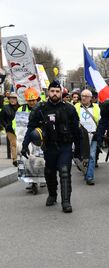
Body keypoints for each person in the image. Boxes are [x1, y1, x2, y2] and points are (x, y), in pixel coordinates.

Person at [21, 80, 81, 213]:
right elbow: (31, 128)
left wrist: (78, 150)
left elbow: (77, 131)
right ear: (48, 92)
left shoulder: (69, 108)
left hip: (65, 146)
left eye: (57, 91)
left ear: (61, 93)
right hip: (49, 147)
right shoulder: (40, 108)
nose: (55, 93)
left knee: (65, 171)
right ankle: (52, 194)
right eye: (52, 91)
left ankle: (66, 202)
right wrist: (25, 145)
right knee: (50, 172)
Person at [74, 89, 101, 185]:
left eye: (86, 96)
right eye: (82, 96)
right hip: (80, 136)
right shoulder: (76, 106)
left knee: (92, 156)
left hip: (93, 135)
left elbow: (100, 120)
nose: (83, 98)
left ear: (90, 98)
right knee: (81, 157)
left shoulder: (97, 107)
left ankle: (89, 177)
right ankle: (84, 168)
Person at [0, 92, 20, 166]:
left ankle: (22, 157)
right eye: (11, 98)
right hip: (10, 129)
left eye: (14, 98)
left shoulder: (20, 107)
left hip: (20, 128)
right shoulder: (5, 107)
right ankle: (15, 159)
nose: (12, 100)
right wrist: (6, 125)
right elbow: (1, 118)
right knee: (13, 143)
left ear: (17, 99)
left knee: (20, 144)